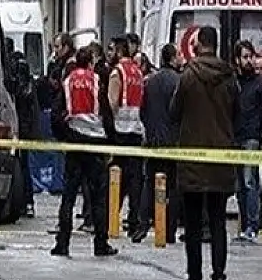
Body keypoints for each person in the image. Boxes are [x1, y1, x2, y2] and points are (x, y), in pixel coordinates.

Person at [170, 26, 237, 280]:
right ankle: (219, 278)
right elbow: (238, 113)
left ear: (198, 45)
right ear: (216, 45)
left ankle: (194, 279)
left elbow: (174, 112)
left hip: (193, 161)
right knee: (218, 222)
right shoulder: (229, 78)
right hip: (221, 159)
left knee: (194, 225)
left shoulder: (187, 77)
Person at [50, 46, 117, 258]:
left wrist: (65, 137)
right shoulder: (97, 81)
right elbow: (106, 114)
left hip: (74, 143)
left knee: (68, 197)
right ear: (90, 63)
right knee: (98, 197)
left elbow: (55, 115)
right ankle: (100, 243)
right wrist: (110, 142)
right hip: (95, 144)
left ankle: (62, 243)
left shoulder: (67, 81)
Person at [133, 43, 182, 244]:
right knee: (172, 187)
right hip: (173, 142)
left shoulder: (149, 81)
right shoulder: (178, 82)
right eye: (178, 55)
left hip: (153, 141)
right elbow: (180, 111)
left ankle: (142, 223)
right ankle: (169, 230)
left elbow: (142, 110)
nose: (181, 58)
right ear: (172, 58)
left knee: (149, 183)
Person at [232, 40, 262, 244]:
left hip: (251, 139)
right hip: (235, 138)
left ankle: (252, 226)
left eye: (251, 56)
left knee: (249, 182)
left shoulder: (260, 85)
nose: (249, 61)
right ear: (237, 59)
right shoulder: (233, 83)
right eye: (245, 57)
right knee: (239, 186)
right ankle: (244, 224)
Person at [106, 35, 144, 238]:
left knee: (116, 178)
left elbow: (112, 102)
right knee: (135, 179)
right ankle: (135, 220)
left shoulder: (117, 72)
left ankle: (112, 218)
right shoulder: (137, 72)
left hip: (120, 131)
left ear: (120, 51)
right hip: (136, 131)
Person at [4, 38, 37, 218]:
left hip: (19, 125)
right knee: (22, 164)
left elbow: (22, 96)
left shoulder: (18, 73)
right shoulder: (24, 75)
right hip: (21, 124)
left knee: (22, 164)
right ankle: (24, 201)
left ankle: (26, 201)